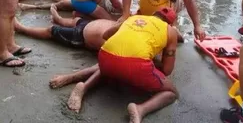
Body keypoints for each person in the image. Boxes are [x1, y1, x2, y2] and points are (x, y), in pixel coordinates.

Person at [49, 7, 180, 122]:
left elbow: (106, 35)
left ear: (153, 15)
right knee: (171, 92)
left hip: (105, 56)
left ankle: (83, 86)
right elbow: (167, 70)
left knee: (109, 66)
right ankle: (140, 109)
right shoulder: (170, 31)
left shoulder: (133, 18)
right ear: (171, 23)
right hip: (135, 66)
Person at [15, 5, 117, 50]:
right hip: (90, 24)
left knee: (51, 30)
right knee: (76, 19)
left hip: (81, 36)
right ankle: (58, 19)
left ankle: (21, 28)